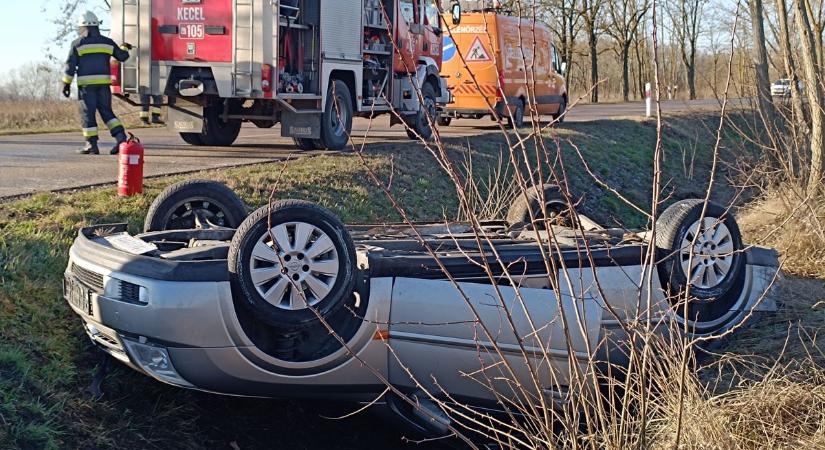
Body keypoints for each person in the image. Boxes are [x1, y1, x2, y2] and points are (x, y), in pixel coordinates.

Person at [61, 11, 132, 155]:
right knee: (107, 112)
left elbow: (70, 66)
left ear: (83, 27)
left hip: (87, 88)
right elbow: (122, 56)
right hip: (104, 86)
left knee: (88, 113)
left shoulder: (77, 44)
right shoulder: (107, 42)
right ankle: (121, 138)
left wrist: (66, 84)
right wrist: (125, 47)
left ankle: (91, 144)